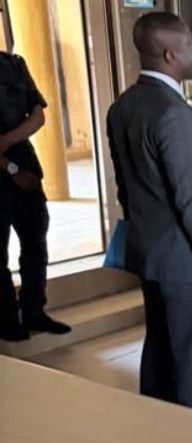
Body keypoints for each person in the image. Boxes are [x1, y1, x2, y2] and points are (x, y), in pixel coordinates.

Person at [106, 12, 192, 412]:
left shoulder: (124, 107)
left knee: (161, 360)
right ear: (170, 54)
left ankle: (160, 442)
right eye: (189, 43)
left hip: (154, 256)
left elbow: (125, 188)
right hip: (189, 264)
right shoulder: (172, 115)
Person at [0, 51, 71, 341]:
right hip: (10, 169)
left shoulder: (14, 64)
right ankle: (5, 318)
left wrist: (7, 141)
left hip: (23, 161)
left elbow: (38, 115)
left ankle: (34, 311)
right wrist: (10, 167)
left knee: (35, 240)